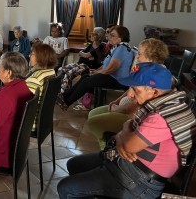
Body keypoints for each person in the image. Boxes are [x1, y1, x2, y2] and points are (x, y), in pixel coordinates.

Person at [57, 62, 196, 199]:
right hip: (129, 164)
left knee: (65, 188)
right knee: (73, 165)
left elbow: (128, 145)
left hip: (141, 180)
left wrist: (123, 136)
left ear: (154, 91)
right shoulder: (165, 103)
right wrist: (125, 132)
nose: (131, 95)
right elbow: (128, 126)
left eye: (136, 90)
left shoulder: (161, 116)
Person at [87, 38, 169, 149]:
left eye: (140, 53)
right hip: (124, 107)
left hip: (133, 115)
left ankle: (108, 147)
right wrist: (116, 101)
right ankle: (108, 143)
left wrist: (117, 109)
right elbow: (132, 89)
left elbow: (136, 106)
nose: (137, 56)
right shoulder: (142, 68)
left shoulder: (156, 76)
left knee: (94, 123)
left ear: (151, 57)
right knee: (93, 113)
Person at [56, 25, 133, 110]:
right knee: (86, 76)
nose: (109, 37)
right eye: (110, 34)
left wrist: (96, 72)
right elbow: (105, 65)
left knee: (88, 81)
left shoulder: (121, 49)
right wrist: (96, 70)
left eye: (113, 35)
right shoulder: (117, 47)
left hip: (118, 80)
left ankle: (66, 102)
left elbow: (110, 69)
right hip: (112, 76)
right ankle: (64, 96)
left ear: (121, 38)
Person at [0, 52, 33, 169]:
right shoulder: (24, 87)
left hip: (0, 154)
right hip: (16, 150)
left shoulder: (6, 96)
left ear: (8, 73)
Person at [57, 27, 106, 94]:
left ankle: (63, 94)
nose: (92, 34)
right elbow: (81, 53)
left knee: (68, 74)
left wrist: (86, 55)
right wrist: (85, 55)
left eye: (94, 34)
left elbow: (86, 55)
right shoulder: (91, 45)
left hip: (87, 66)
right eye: (92, 33)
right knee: (61, 69)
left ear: (99, 36)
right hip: (80, 63)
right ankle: (61, 89)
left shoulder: (100, 46)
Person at [26, 43, 57, 133]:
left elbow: (23, 102)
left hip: (30, 122)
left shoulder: (36, 78)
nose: (29, 55)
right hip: (44, 121)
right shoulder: (50, 72)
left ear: (40, 58)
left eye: (32, 54)